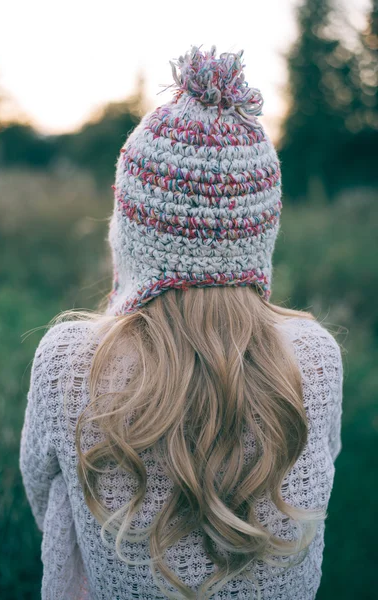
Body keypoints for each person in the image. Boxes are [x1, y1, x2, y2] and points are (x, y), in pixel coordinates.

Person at [19, 46, 343, 600]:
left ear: (129, 228)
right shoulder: (313, 355)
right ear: (259, 232)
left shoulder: (69, 363)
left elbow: (44, 497)